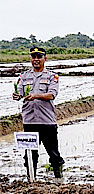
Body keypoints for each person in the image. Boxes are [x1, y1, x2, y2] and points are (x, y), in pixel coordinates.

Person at [12, 47, 65, 179]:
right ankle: (31, 178)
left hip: (47, 121)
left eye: (39, 57)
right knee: (30, 153)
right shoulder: (24, 76)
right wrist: (17, 96)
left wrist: (36, 95)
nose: (36, 60)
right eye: (33, 57)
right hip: (29, 121)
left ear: (44, 59)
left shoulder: (52, 77)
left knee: (53, 152)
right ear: (30, 59)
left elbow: (52, 95)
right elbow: (20, 93)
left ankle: (59, 178)